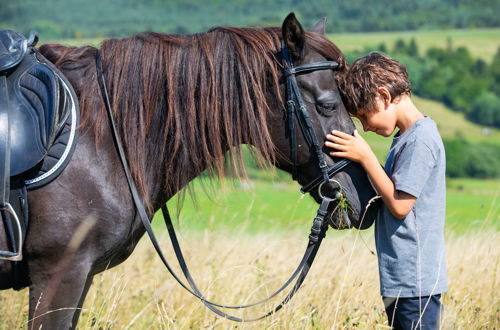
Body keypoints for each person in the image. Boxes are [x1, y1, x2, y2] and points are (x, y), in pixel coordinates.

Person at [325, 52, 447, 329]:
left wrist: (366, 157)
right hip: (401, 279)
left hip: (415, 284)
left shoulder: (421, 139)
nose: (366, 127)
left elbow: (401, 205)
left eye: (365, 116)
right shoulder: (406, 138)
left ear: (384, 96)